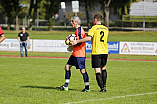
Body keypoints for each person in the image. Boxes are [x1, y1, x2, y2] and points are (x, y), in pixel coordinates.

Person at [72, 14, 109, 93]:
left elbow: (89, 38)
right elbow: (98, 36)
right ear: (101, 20)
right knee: (104, 68)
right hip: (105, 51)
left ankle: (102, 88)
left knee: (97, 71)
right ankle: (104, 86)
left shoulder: (93, 28)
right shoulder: (106, 29)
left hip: (97, 52)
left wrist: (77, 41)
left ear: (95, 20)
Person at [57, 16, 90, 92]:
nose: (71, 23)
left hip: (79, 54)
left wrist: (71, 43)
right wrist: (70, 41)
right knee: (67, 67)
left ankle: (87, 87)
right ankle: (66, 86)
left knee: (83, 71)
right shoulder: (77, 30)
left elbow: (79, 42)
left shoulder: (79, 30)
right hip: (75, 54)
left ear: (77, 22)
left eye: (73, 21)